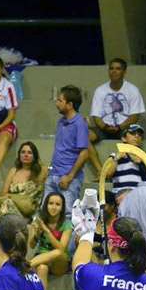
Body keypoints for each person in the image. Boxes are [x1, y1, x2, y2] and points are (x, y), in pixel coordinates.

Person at [88, 59, 146, 173]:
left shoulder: (133, 90)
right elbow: (96, 116)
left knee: (134, 135)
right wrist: (105, 127)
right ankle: (101, 171)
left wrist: (120, 127)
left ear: (124, 72)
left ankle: (130, 172)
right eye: (111, 68)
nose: (114, 71)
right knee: (83, 137)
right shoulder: (100, 90)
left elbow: (135, 116)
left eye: (118, 69)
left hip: (124, 129)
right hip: (104, 129)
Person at [45, 86, 89, 218]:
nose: (56, 103)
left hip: (69, 179)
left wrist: (70, 177)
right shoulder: (61, 122)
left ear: (69, 104)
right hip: (53, 175)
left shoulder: (80, 123)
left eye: (60, 100)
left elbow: (84, 153)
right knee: (45, 214)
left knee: (69, 216)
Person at [29, 192, 72, 290]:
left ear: (62, 208)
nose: (54, 207)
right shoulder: (39, 221)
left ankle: (28, 264)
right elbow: (31, 245)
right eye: (51, 203)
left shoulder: (67, 224)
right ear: (46, 205)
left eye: (57, 204)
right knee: (42, 268)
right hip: (41, 258)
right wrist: (36, 234)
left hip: (59, 262)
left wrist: (46, 231)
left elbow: (61, 249)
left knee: (58, 252)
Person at [0, 141, 47, 220]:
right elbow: (3, 193)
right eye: (23, 152)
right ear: (19, 155)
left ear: (34, 156)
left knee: (6, 203)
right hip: (10, 207)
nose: (26, 155)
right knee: (6, 204)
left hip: (28, 209)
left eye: (29, 153)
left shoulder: (40, 171)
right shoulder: (13, 171)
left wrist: (10, 197)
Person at [102, 124, 146, 200]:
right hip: (120, 195)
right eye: (132, 133)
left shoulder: (145, 158)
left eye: (140, 134)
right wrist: (116, 159)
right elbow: (108, 175)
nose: (137, 136)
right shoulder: (114, 155)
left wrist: (142, 164)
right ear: (123, 138)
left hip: (139, 196)